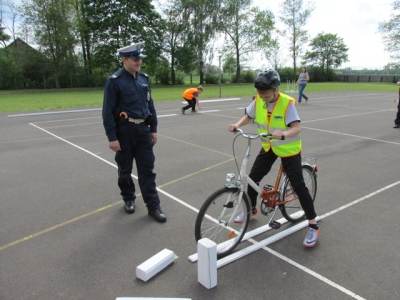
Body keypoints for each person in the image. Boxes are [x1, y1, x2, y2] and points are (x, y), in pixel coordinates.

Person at [228, 70, 320, 248]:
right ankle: (252, 210)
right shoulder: (258, 100)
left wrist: (284, 134)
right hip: (269, 146)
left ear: (275, 89)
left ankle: (313, 225)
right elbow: (249, 116)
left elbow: (296, 128)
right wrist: (237, 125)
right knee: (253, 178)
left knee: (298, 186)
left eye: (265, 92)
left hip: (288, 149)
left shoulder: (287, 104)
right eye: (260, 92)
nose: (262, 96)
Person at [102, 42, 166, 223]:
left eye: (140, 59)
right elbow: (107, 111)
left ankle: (153, 206)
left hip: (143, 130)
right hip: (124, 132)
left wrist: (153, 128)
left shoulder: (144, 79)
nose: (139, 62)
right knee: (125, 170)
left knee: (147, 171)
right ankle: (128, 198)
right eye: (135, 59)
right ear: (125, 60)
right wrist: (112, 137)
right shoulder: (114, 81)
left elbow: (149, 105)